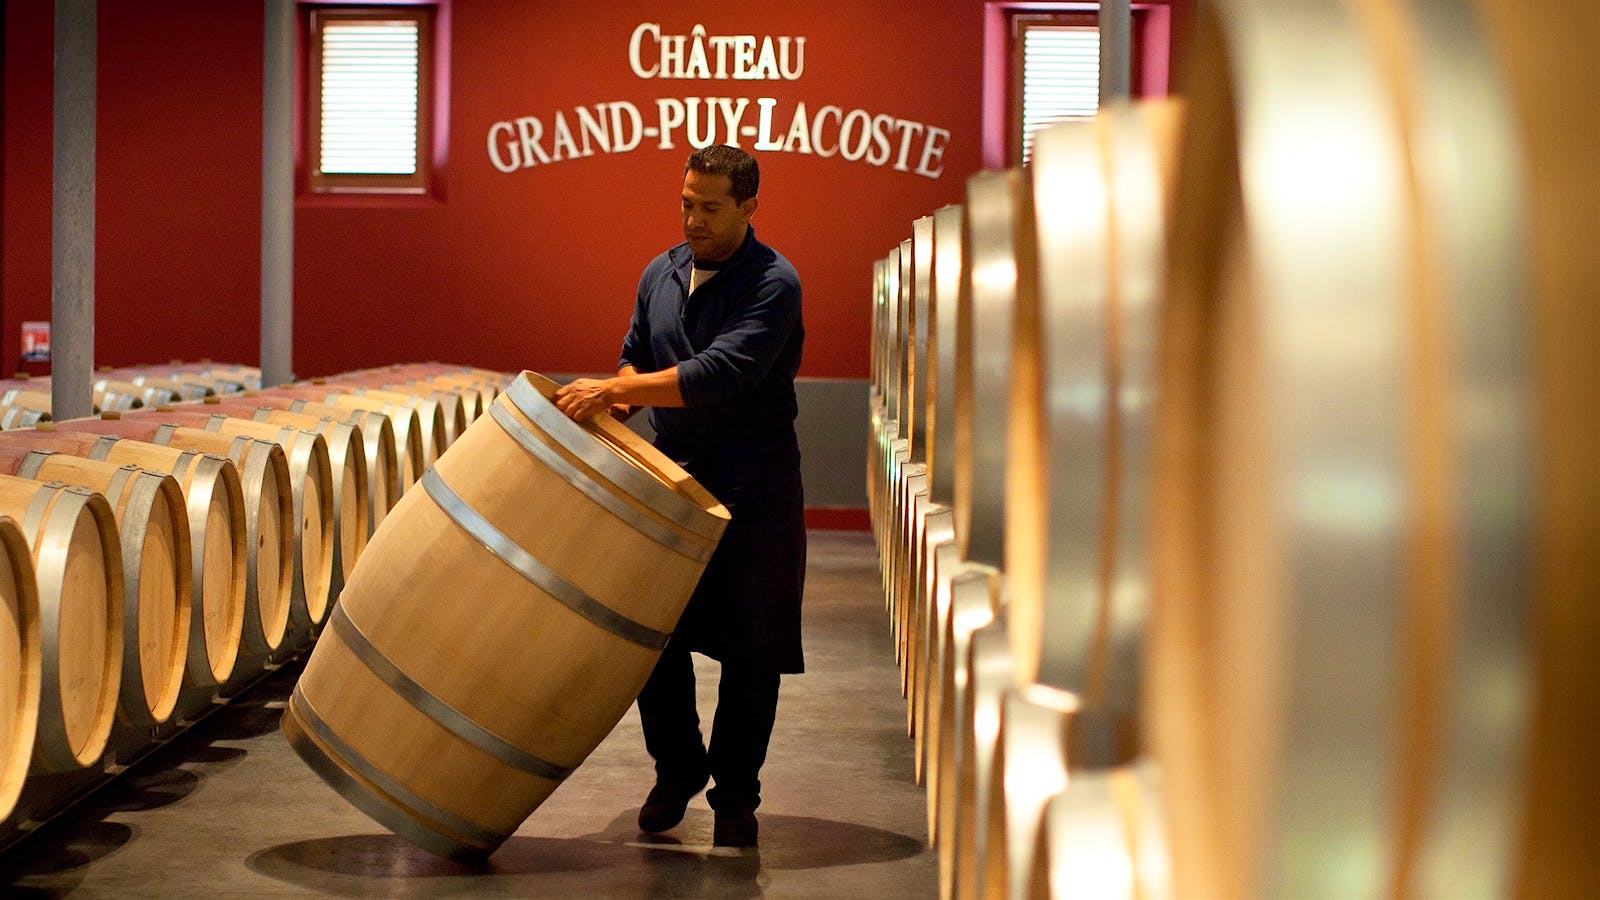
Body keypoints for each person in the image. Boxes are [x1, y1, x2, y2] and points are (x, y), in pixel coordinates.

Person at [553, 144, 805, 848]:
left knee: (750, 653)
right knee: (649, 635)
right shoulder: (661, 272)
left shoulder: (772, 283)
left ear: (749, 207)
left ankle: (735, 798)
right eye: (686, 203)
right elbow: (639, 349)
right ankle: (678, 767)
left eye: (710, 207)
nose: (693, 219)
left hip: (752, 487)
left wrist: (617, 387)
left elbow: (721, 372)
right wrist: (623, 397)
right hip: (668, 479)